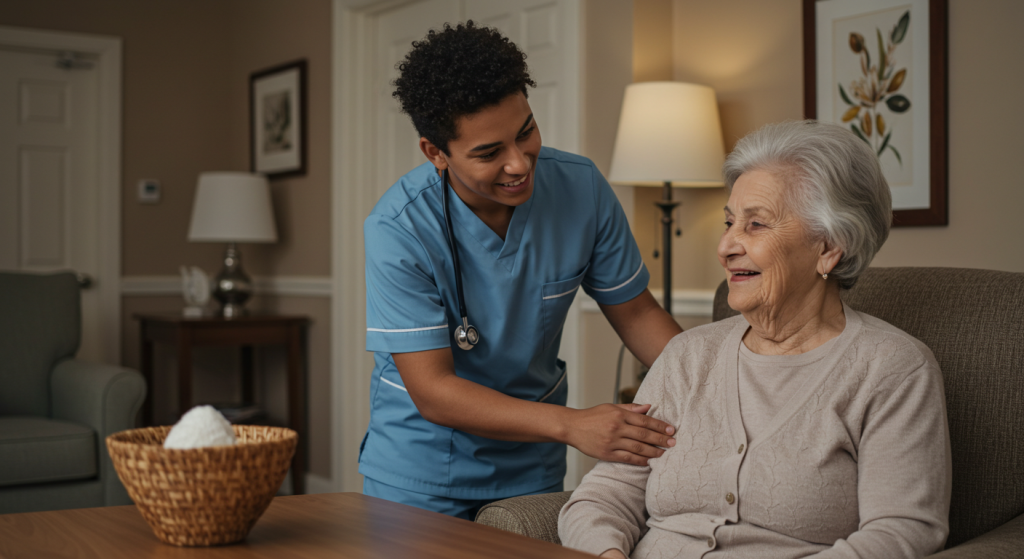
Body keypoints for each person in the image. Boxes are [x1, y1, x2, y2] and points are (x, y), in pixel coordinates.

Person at [559, 120, 952, 558]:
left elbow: (902, 532)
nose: (726, 245)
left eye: (756, 225)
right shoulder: (688, 355)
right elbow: (604, 496)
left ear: (829, 248)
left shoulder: (892, 368)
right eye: (730, 223)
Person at [359, 21, 683, 520]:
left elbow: (637, 314)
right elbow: (434, 390)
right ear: (435, 153)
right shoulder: (398, 228)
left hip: (532, 470)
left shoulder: (581, 188)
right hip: (424, 471)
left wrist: (713, 385)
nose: (519, 163)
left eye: (525, 132)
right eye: (489, 153)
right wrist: (573, 425)